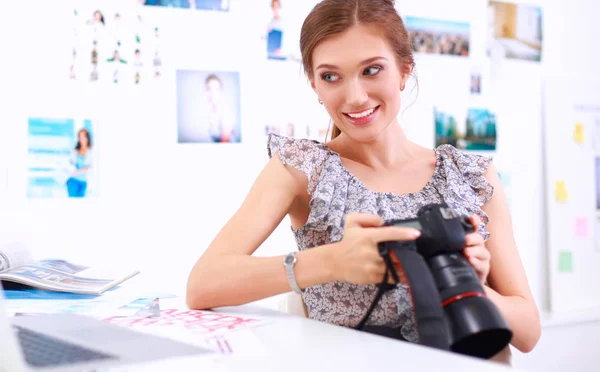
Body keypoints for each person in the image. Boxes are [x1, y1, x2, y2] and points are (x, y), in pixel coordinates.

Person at [186, 0, 540, 358]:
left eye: (371, 70)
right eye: (330, 76)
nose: (354, 97)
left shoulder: (469, 175)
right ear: (314, 84)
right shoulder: (302, 169)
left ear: (404, 71)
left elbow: (528, 332)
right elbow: (204, 284)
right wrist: (334, 261)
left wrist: (472, 287)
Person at [66, 128, 93, 198]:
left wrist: (78, 171)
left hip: (84, 182)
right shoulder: (75, 151)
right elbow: (71, 163)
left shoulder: (91, 151)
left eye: (83, 136)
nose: (82, 139)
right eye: (80, 136)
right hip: (73, 181)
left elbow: (89, 167)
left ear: (87, 137)